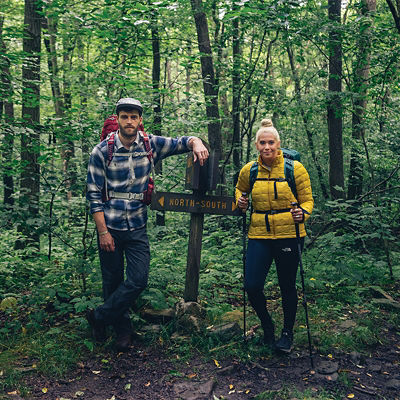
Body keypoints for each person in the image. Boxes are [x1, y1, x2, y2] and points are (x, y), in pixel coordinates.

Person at [86, 97, 209, 351]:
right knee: (112, 282)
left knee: (138, 280)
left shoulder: (150, 144)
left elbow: (179, 143)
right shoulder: (101, 151)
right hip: (110, 227)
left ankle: (98, 317)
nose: (129, 121)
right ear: (118, 119)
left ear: (140, 120)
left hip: (137, 226)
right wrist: (102, 232)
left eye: (134, 117)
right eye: (124, 116)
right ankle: (122, 333)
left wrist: (196, 141)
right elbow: (94, 195)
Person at [235, 118, 313, 353]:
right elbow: (240, 189)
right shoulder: (249, 170)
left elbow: (308, 199)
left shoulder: (294, 169)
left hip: (290, 233)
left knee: (287, 285)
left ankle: (287, 333)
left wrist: (303, 213)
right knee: (252, 285)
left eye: (271, 142)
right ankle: (267, 325)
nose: (267, 147)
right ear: (256, 145)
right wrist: (239, 201)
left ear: (278, 144)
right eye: (262, 143)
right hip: (259, 234)